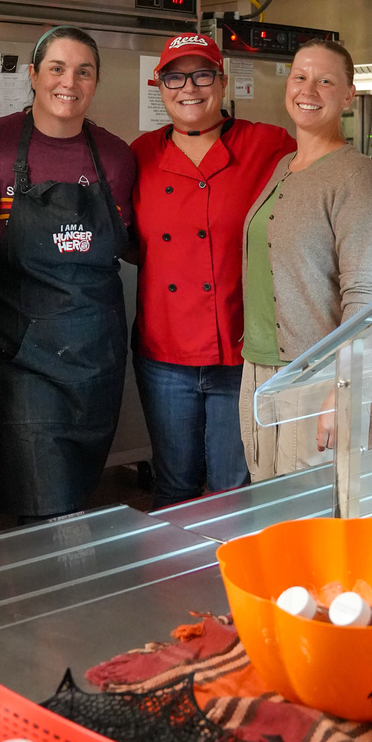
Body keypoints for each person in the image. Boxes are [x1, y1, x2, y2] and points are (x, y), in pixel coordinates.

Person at [0, 26, 135, 521]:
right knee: (39, 497)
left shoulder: (118, 157)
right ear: (34, 75)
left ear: (96, 82)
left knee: (80, 491)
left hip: (94, 349)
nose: (69, 82)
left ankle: (60, 585)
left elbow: (130, 238)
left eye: (84, 71)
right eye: (57, 68)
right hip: (17, 350)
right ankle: (41, 588)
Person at [131, 33, 295, 508]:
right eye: (174, 76)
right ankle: (174, 582)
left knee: (232, 488)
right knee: (174, 486)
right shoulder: (139, 154)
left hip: (241, 353)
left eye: (202, 74)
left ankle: (230, 580)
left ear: (223, 83)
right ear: (158, 85)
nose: (189, 87)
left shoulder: (269, 144)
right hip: (164, 353)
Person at [239, 39, 372, 480]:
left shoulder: (356, 177)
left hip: (314, 376)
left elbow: (366, 296)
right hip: (260, 367)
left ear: (348, 95)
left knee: (304, 516)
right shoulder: (285, 165)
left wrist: (340, 389)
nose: (309, 90)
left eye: (325, 81)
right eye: (300, 77)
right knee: (266, 502)